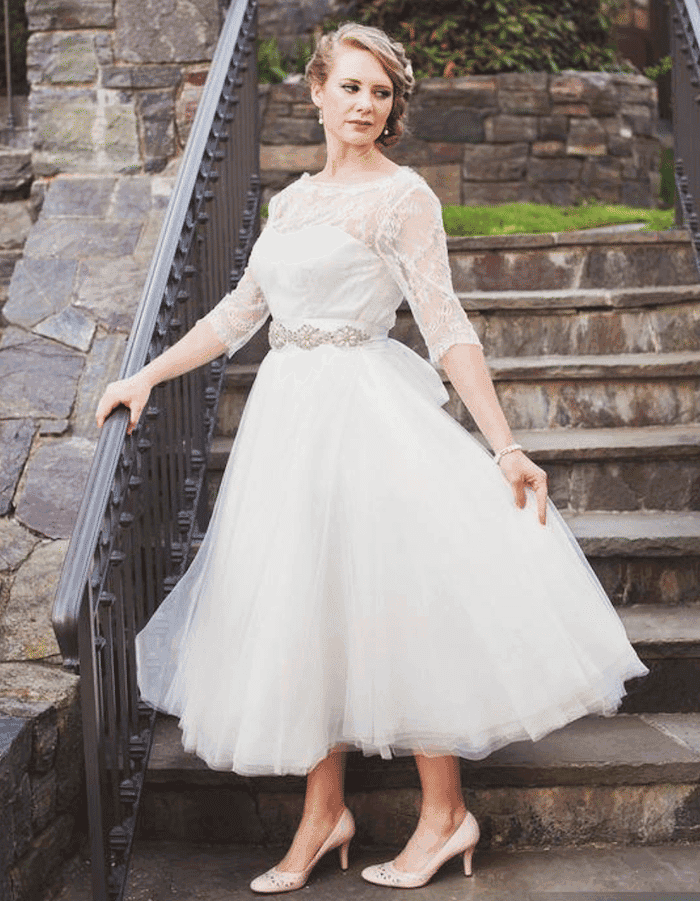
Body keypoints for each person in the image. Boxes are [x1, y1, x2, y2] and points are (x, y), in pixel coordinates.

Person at [96, 22, 650, 893]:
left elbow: (445, 327)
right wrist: (147, 376)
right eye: (351, 86)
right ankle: (323, 816)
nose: (365, 104)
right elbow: (239, 313)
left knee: (395, 605)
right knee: (307, 612)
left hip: (366, 419)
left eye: (381, 92)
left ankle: (445, 814)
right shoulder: (288, 203)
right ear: (315, 91)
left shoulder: (404, 199)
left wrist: (504, 444)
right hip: (288, 427)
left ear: (392, 108)